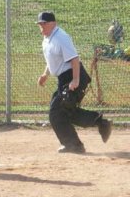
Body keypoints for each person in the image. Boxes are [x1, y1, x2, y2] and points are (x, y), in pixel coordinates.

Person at [36, 11, 112, 154]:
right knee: (66, 111)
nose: (41, 26)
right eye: (40, 24)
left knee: (56, 112)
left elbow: (74, 59)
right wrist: (45, 74)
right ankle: (101, 123)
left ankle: (74, 145)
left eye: (44, 23)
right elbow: (51, 60)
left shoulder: (61, 37)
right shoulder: (47, 39)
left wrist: (75, 80)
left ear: (53, 23)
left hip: (74, 76)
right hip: (64, 78)